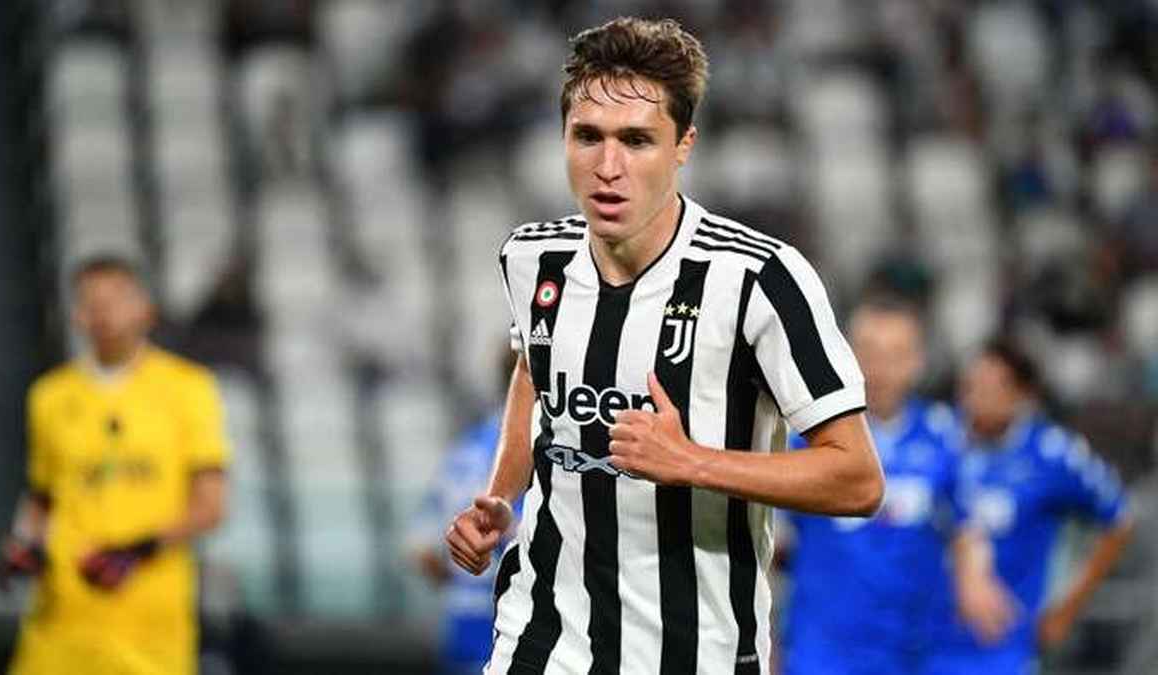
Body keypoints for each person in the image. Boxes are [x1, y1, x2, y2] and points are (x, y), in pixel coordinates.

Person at [445, 17, 885, 674]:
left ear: (683, 146)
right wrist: (502, 497)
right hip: (541, 641)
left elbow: (858, 478)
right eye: (587, 136)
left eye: (637, 140)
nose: (608, 167)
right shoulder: (533, 260)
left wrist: (692, 461)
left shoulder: (759, 280)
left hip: (697, 652)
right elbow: (534, 371)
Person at [0, 256, 230, 675]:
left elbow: (210, 506)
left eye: (116, 300)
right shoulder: (49, 396)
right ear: (77, 316)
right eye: (91, 302)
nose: (104, 313)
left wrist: (137, 550)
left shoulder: (187, 389)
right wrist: (23, 544)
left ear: (146, 310)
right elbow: (43, 496)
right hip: (63, 621)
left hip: (149, 625)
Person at [780, 297, 1016, 675]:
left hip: (910, 652)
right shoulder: (804, 438)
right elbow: (770, 542)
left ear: (917, 362)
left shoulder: (944, 438)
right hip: (821, 654)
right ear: (845, 356)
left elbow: (967, 525)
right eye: (869, 353)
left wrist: (974, 575)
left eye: (895, 355)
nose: (880, 369)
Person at [924, 339, 1134, 675]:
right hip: (923, 642)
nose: (975, 398)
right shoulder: (936, 441)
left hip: (1003, 646)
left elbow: (1119, 518)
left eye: (991, 388)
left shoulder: (1052, 454)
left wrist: (1068, 607)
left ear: (1022, 394)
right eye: (970, 386)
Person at [409, 348, 523, 675]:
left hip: (461, 621)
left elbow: (422, 552)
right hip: (513, 621)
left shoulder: (464, 448)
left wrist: (464, 579)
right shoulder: (531, 452)